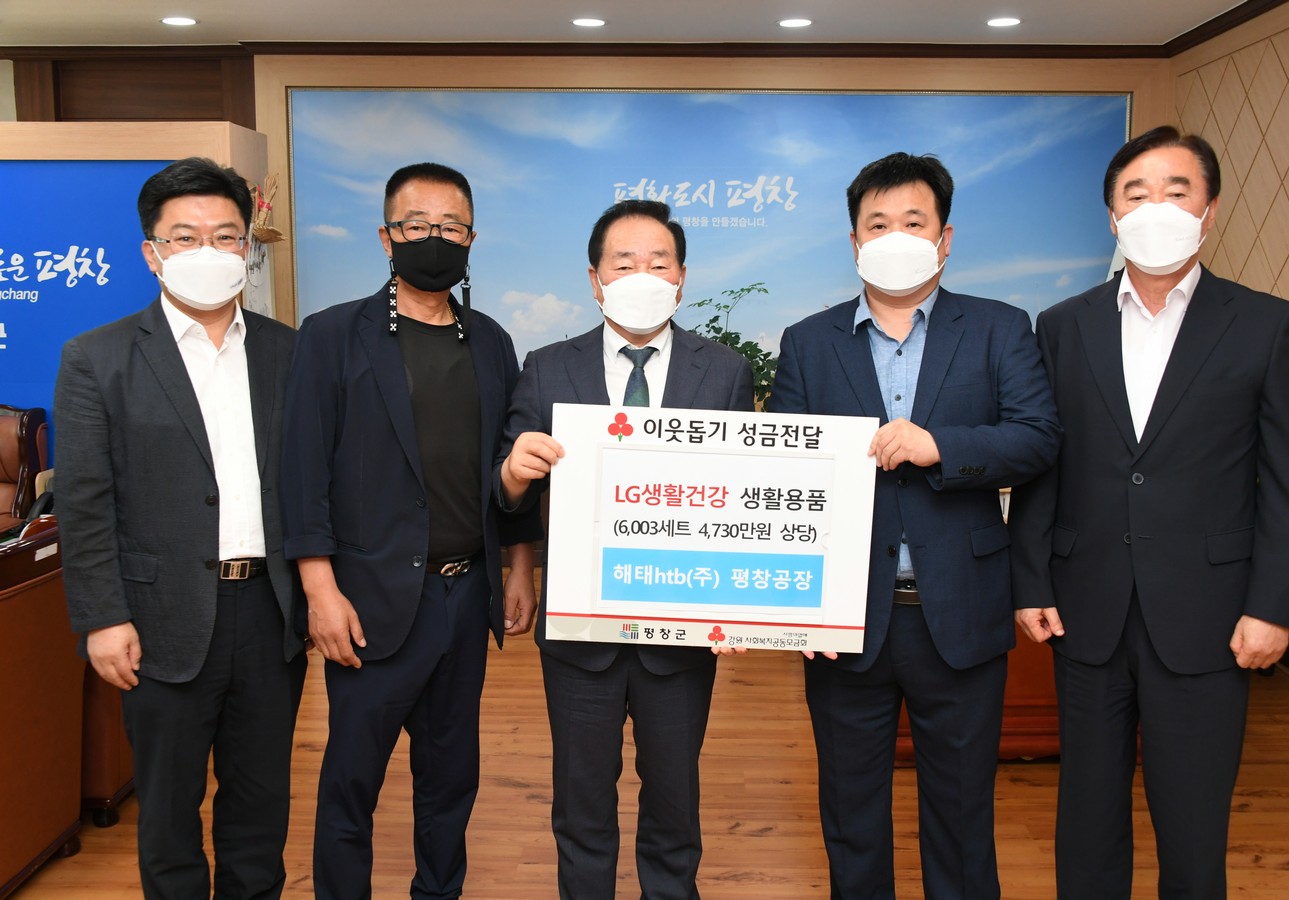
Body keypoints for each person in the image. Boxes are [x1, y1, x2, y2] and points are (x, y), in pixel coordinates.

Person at [1009, 126, 1289, 899]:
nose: (1156, 208)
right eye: (1136, 193)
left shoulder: (1265, 323)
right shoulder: (1063, 325)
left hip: (1211, 614)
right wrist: (1030, 579)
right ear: (1112, 216)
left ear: (1209, 211)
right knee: (1086, 817)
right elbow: (1047, 463)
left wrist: (1273, 608)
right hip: (1086, 606)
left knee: (1193, 822)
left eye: (1177, 192)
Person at [767, 152, 1060, 898]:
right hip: (844, 621)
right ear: (854, 240)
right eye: (878, 224)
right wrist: (790, 607)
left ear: (945, 238)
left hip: (961, 611)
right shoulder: (808, 341)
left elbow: (1037, 438)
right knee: (851, 815)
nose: (895, 237)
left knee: (961, 817)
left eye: (913, 222)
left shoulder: (999, 328)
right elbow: (785, 470)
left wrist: (941, 447)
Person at [281, 162, 541, 899]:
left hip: (466, 597)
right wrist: (320, 591)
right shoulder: (332, 335)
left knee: (451, 778)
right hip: (368, 600)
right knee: (351, 781)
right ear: (386, 236)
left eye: (451, 227)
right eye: (417, 225)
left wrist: (521, 567)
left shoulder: (491, 341)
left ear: (472, 238)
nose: (435, 238)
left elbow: (511, 464)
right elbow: (302, 473)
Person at [55, 156, 307, 899]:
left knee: (260, 804)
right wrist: (102, 618)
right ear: (152, 252)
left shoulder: (289, 351)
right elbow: (85, 503)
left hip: (269, 613)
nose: (209, 251)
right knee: (167, 812)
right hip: (158, 619)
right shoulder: (98, 358)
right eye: (186, 237)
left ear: (247, 249)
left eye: (225, 236)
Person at [496, 199, 753, 899]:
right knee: (582, 809)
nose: (643, 275)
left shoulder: (723, 372)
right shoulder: (547, 368)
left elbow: (741, 497)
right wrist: (515, 471)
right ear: (595, 279)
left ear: (682, 278)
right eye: (625, 262)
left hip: (682, 632)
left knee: (674, 808)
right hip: (580, 635)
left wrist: (740, 604)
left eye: (659, 263)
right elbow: (506, 492)